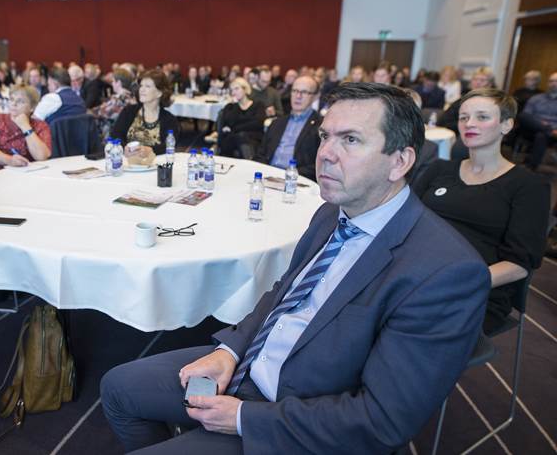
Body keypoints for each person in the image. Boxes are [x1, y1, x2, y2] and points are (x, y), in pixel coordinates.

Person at [101, 83, 490, 454]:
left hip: (298, 418)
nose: (326, 154)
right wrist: (230, 350)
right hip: (251, 365)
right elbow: (283, 294)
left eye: (350, 140)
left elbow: (381, 422)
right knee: (117, 387)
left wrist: (244, 418)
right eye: (325, 137)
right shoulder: (331, 212)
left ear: (400, 161)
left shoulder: (445, 272)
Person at [414, 88, 548, 333]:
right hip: (416, 273)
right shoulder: (439, 170)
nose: (469, 124)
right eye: (464, 117)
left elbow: (519, 264)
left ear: (506, 125)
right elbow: (405, 220)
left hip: (474, 288)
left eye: (482, 117)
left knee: (405, 323)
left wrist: (455, 283)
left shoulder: (528, 186)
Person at [254, 75, 322, 179]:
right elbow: (260, 154)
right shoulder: (277, 123)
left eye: (304, 92)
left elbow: (319, 165)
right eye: (294, 91)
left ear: (315, 96)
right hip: (267, 176)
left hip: (296, 179)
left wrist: (289, 174)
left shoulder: (321, 126)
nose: (298, 96)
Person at [110, 69, 179, 156]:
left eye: (147, 86)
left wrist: (151, 150)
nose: (141, 89)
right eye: (141, 86)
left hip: (156, 162)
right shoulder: (128, 112)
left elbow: (169, 146)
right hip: (128, 161)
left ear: (159, 93)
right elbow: (115, 136)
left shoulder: (170, 120)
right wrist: (124, 148)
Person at [216, 77, 266, 159]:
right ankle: (250, 162)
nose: (234, 92)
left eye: (236, 89)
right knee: (240, 136)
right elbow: (230, 122)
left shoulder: (258, 105)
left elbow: (258, 123)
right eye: (232, 90)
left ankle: (250, 161)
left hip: (253, 138)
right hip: (232, 139)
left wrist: (235, 128)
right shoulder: (230, 107)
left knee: (243, 137)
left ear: (245, 89)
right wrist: (236, 105)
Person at [517, 71, 557, 170]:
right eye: (551, 81)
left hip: (554, 133)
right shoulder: (536, 98)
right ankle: (548, 130)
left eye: (556, 81)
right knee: (522, 115)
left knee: (541, 135)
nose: (553, 83)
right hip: (533, 129)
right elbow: (526, 115)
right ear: (548, 83)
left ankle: (532, 167)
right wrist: (543, 125)